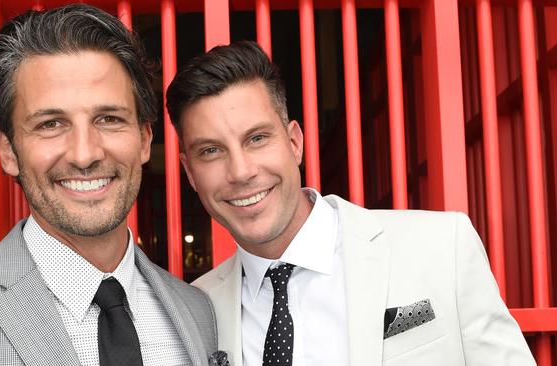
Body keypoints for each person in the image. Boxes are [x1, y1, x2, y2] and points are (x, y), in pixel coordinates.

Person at [166, 41, 535, 366]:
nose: (241, 171)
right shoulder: (197, 308)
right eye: (211, 151)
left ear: (295, 142)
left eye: (258, 138)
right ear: (190, 172)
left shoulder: (442, 246)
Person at [0, 4, 217, 366]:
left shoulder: (197, 312)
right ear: (8, 150)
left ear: (145, 139)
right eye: (51, 124)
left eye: (109, 118)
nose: (84, 154)